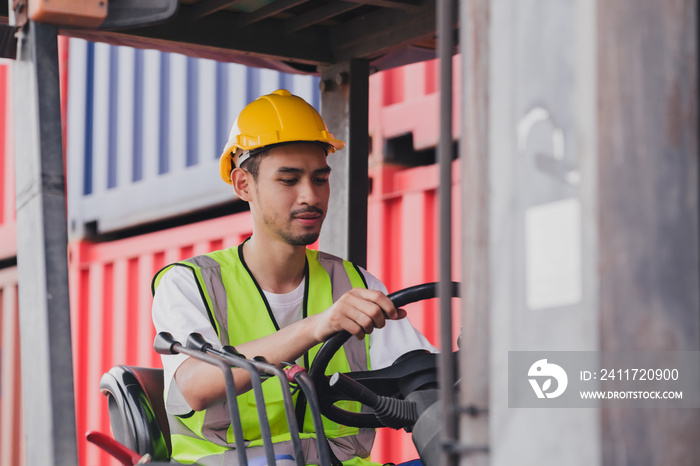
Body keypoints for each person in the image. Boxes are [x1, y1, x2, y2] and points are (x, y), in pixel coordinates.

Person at [152, 89, 436, 465]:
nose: (311, 196)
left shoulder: (357, 284)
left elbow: (424, 374)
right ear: (243, 185)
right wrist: (318, 325)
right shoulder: (190, 283)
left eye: (320, 179)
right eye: (289, 181)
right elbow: (195, 386)